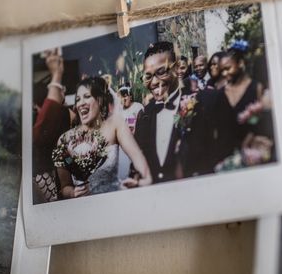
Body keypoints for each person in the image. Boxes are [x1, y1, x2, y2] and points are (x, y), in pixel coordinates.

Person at [133, 42, 236, 183]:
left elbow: (228, 157)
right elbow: (138, 163)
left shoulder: (209, 102)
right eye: (148, 76)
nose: (154, 81)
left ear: (176, 69)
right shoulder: (144, 115)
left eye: (161, 72)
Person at [53, 77, 152, 198]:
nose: (81, 103)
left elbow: (137, 157)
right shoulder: (64, 139)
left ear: (99, 100)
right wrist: (73, 193)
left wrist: (142, 178)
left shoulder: (115, 124)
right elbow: (65, 187)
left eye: (87, 96)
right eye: (78, 99)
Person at [32, 48, 71, 203]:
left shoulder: (62, 118)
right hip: (45, 180)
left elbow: (64, 156)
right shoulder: (40, 127)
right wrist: (56, 75)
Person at [116, 84, 145, 183]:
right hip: (123, 148)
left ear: (130, 96)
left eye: (125, 96)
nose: (124, 99)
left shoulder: (137, 107)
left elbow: (141, 127)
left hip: (136, 144)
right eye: (121, 97)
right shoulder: (119, 112)